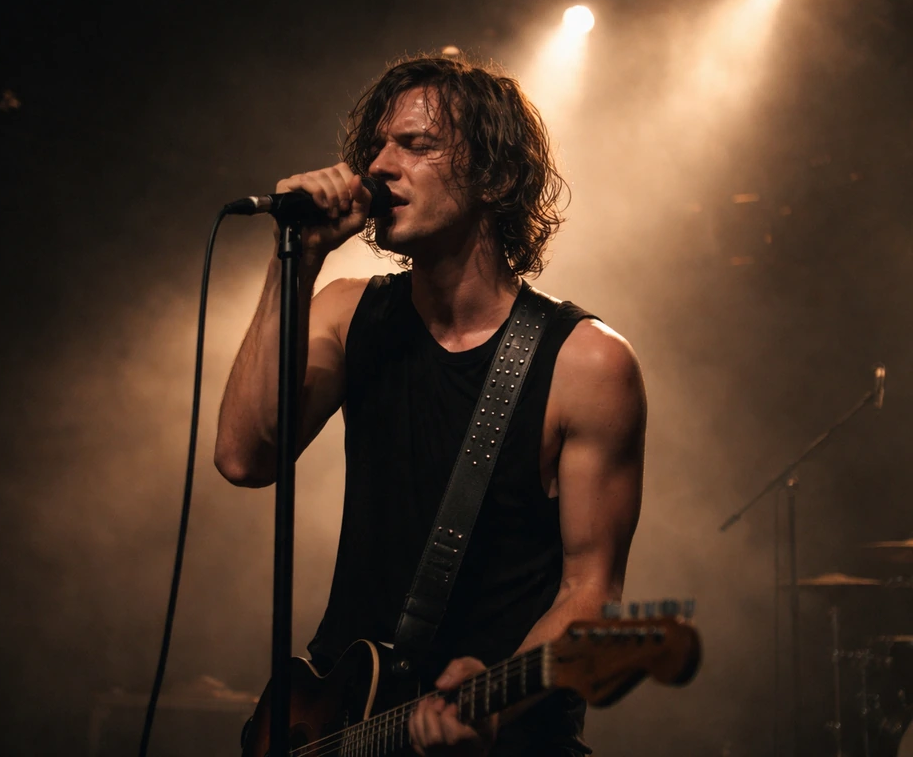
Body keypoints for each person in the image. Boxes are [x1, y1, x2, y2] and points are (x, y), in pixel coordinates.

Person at [215, 55, 645, 757]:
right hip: (343, 721)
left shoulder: (587, 362)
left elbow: (590, 591)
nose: (378, 167)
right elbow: (243, 456)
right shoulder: (344, 313)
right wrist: (294, 259)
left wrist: (500, 697)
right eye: (375, 147)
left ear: (497, 177)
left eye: (415, 145)